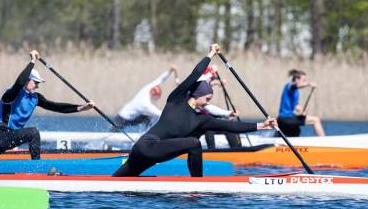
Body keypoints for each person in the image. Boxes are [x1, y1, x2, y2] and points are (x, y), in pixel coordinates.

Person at [113, 44, 277, 177]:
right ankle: (197, 185)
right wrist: (211, 54)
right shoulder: (175, 100)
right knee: (194, 143)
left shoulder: (201, 119)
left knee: (118, 181)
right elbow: (196, 73)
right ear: (197, 95)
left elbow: (230, 127)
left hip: (152, 153)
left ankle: (196, 185)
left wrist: (261, 126)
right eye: (207, 99)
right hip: (144, 146)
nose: (207, 104)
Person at [0, 50, 95, 160]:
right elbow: (19, 83)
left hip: (7, 140)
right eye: (35, 82)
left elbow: (57, 107)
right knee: (33, 132)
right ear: (27, 80)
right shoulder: (11, 94)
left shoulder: (35, 98)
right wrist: (33, 61)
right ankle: (36, 168)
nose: (37, 85)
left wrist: (82, 107)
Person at [115, 65, 178, 129]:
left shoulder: (148, 88)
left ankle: (145, 133)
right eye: (157, 98)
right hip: (122, 120)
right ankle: (147, 134)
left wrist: (170, 71)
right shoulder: (145, 104)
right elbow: (160, 114)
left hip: (127, 117)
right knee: (149, 116)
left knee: (148, 117)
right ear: (154, 96)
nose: (156, 100)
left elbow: (161, 79)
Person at [276, 69, 325, 137]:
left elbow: (296, 105)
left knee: (296, 131)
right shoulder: (289, 86)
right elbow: (295, 86)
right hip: (286, 118)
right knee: (316, 120)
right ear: (297, 79)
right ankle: (323, 141)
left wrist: (302, 111)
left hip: (284, 119)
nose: (305, 82)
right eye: (304, 80)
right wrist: (309, 84)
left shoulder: (295, 92)